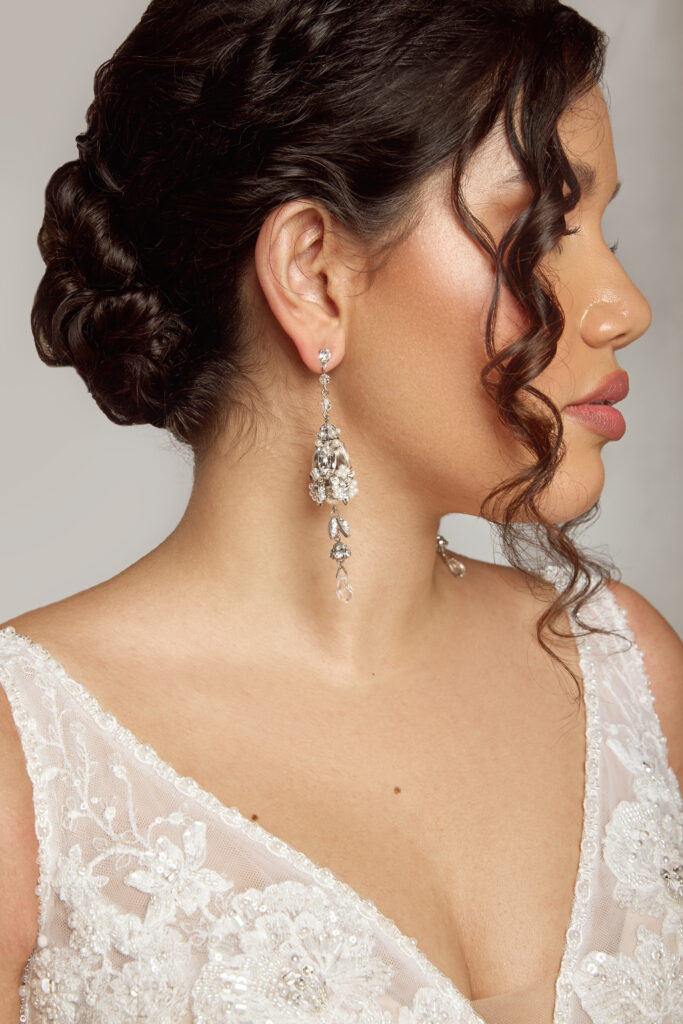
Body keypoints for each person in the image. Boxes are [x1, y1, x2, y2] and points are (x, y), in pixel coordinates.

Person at [0, 0, 681, 1021]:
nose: (621, 305)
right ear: (314, 273)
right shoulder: (29, 774)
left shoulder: (628, 671)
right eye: (540, 228)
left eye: (602, 229)